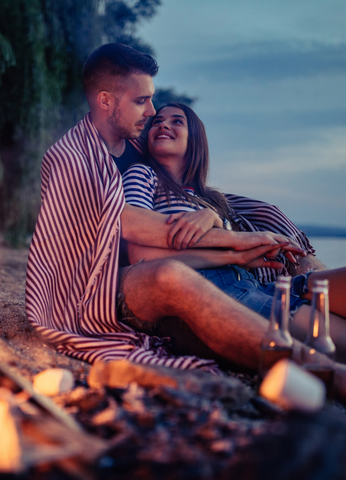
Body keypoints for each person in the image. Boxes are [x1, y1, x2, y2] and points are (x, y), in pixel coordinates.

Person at [25, 43, 346, 394]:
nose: (151, 113)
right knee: (174, 277)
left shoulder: (134, 145)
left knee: (315, 302)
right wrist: (231, 243)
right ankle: (329, 377)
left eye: (155, 104)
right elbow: (125, 222)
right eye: (142, 102)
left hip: (238, 279)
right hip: (106, 289)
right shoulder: (77, 158)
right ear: (105, 101)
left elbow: (205, 198)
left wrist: (212, 215)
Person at [121, 103, 346, 359]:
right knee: (335, 341)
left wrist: (212, 215)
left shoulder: (214, 200)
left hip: (257, 285)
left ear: (195, 140)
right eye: (158, 121)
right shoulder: (143, 175)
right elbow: (140, 256)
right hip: (220, 292)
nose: (163, 124)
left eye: (176, 121)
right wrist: (232, 254)